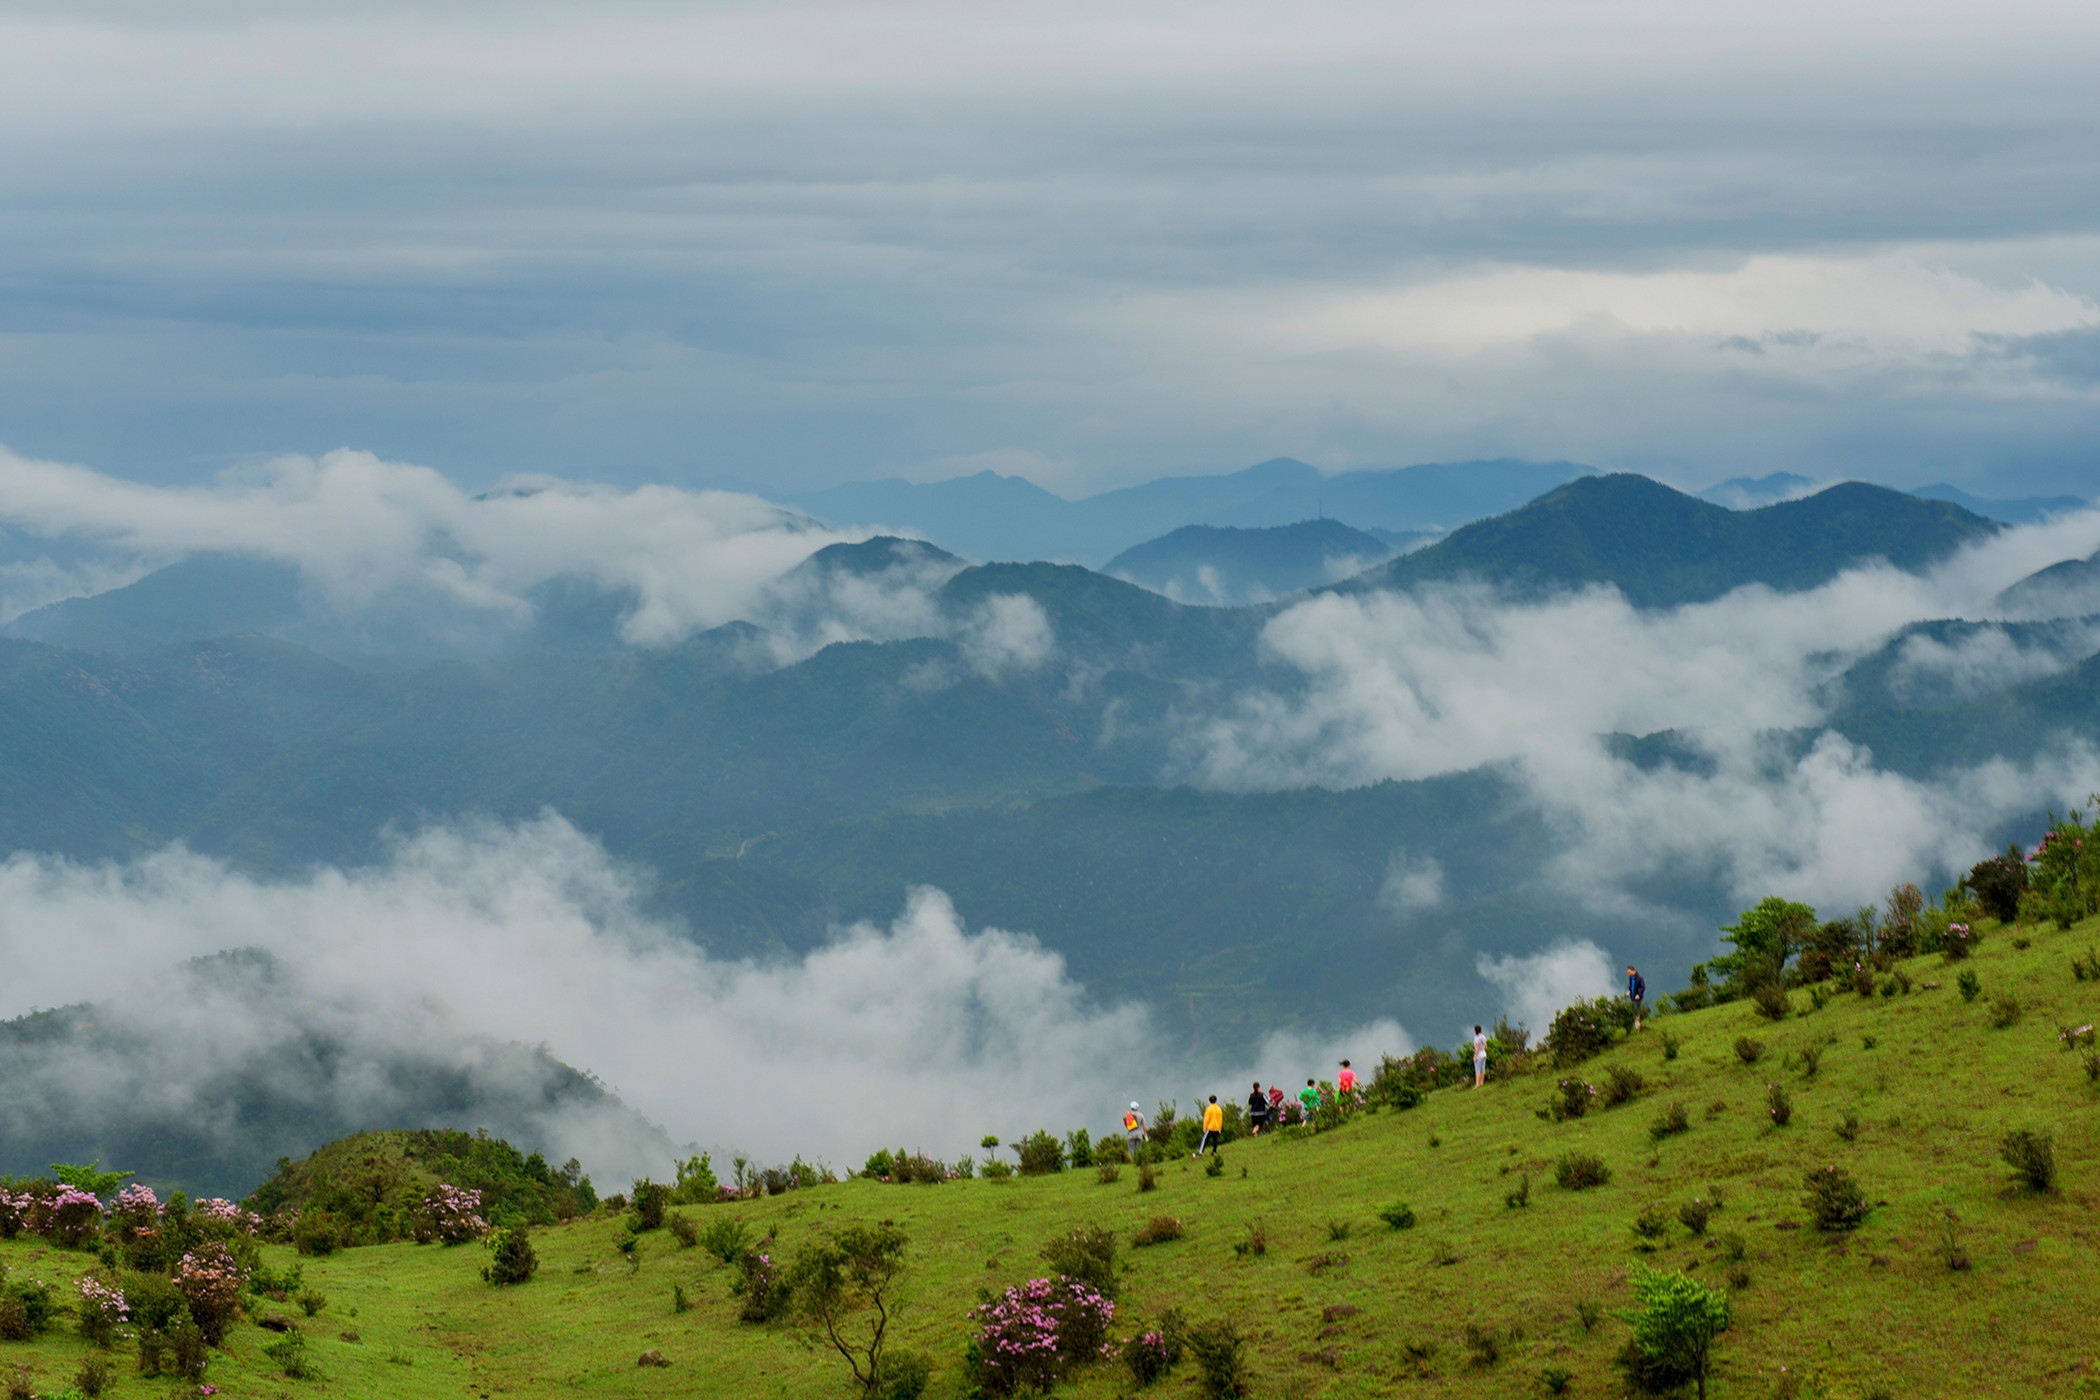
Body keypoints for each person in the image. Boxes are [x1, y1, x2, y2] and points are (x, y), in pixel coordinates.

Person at [1627, 965, 1646, 1030]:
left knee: (1636, 1008)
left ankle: (1637, 1023)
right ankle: (1635, 1023)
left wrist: (1639, 994)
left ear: (1633, 971)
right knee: (1633, 1008)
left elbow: (1642, 987)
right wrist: (1629, 990)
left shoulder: (1640, 978)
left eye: (1629, 972)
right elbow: (1630, 985)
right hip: (1632, 996)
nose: (1628, 974)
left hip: (1637, 997)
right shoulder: (1631, 977)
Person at [1473, 1024, 1489, 1088]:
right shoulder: (1484, 1037)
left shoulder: (1476, 1038)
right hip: (1484, 1054)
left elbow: (1477, 1048)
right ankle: (1482, 1082)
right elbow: (1486, 1046)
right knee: (1483, 1069)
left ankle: (1477, 1084)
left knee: (1477, 1070)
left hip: (1479, 1055)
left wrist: (1475, 1056)